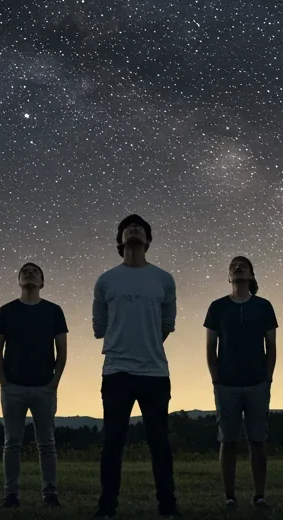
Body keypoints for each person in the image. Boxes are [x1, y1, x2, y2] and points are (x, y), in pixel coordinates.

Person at [92, 214, 180, 518]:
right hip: (116, 371)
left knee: (159, 444)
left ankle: (167, 506)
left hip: (155, 372)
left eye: (140, 228)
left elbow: (167, 323)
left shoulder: (164, 279)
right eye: (128, 228)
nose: (134, 229)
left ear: (148, 240)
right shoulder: (106, 280)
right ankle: (107, 507)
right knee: (112, 443)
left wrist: (146, 346)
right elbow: (99, 325)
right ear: (119, 240)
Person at [203, 256, 277, 511]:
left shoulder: (264, 307)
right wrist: (216, 379)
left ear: (251, 275)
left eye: (243, 265)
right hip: (227, 385)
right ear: (228, 276)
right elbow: (211, 348)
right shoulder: (217, 307)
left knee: (258, 440)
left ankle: (259, 495)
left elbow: (272, 347)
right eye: (233, 265)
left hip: (257, 383)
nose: (237, 267)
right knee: (228, 441)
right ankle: (230, 496)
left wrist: (267, 378)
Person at [0, 262, 69, 509]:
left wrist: (54, 383)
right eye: (24, 271)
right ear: (18, 280)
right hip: (13, 387)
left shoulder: (54, 311)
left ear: (42, 282)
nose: (29, 273)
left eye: (35, 271)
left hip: (44, 388)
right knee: (12, 442)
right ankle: (11, 495)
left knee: (46, 443)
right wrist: (3, 382)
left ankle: (50, 494)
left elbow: (62, 351)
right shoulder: (6, 311)